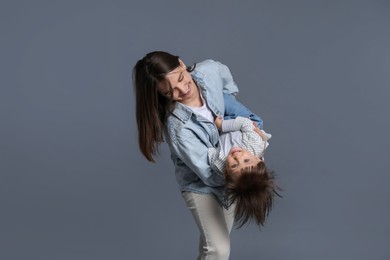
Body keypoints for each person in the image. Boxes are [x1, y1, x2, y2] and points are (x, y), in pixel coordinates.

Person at [133, 51, 263, 259]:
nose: (182, 90)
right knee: (218, 249)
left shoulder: (208, 71)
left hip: (230, 172)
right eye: (169, 93)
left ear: (182, 64)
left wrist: (229, 101)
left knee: (213, 245)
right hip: (201, 183)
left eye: (182, 79)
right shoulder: (179, 128)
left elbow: (223, 74)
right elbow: (209, 175)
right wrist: (242, 165)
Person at [208, 116, 280, 228]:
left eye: (234, 165)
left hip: (223, 131)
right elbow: (245, 123)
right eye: (246, 160)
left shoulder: (218, 163)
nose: (237, 157)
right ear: (258, 159)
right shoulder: (253, 145)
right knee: (255, 122)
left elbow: (209, 150)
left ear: (226, 173)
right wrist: (221, 125)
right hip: (240, 121)